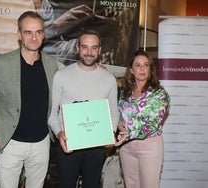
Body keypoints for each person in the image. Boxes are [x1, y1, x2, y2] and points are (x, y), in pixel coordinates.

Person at [0, 11, 58, 188]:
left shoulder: (52, 64)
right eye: (28, 32)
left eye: (38, 32)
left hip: (41, 144)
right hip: (11, 143)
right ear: (19, 35)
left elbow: (73, 78)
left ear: (43, 34)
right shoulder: (2, 63)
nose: (34, 37)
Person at [48, 30, 119, 188]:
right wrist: (59, 133)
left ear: (100, 50)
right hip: (69, 145)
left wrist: (110, 133)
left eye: (94, 48)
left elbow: (114, 111)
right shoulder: (62, 75)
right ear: (77, 48)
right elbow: (52, 112)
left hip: (97, 146)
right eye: (85, 47)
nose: (89, 52)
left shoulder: (109, 79)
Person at [115, 50, 170, 188]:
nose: (142, 69)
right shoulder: (125, 92)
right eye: (138, 65)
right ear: (131, 70)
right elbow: (121, 114)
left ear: (150, 69)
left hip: (149, 146)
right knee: (130, 185)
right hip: (126, 147)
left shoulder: (159, 93)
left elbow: (153, 123)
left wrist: (130, 132)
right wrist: (120, 124)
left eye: (146, 65)